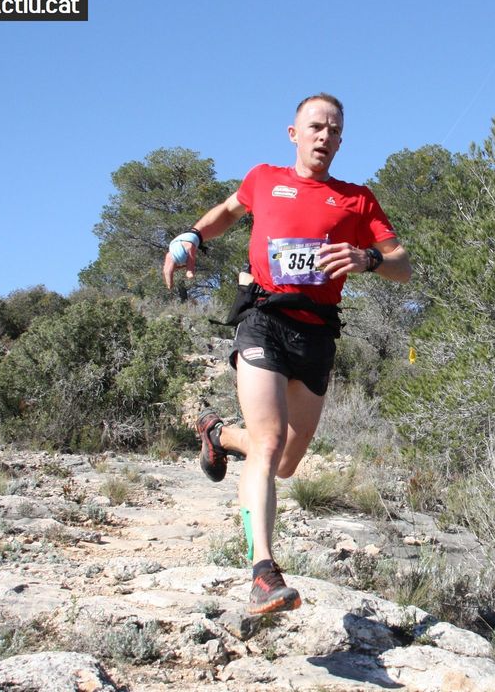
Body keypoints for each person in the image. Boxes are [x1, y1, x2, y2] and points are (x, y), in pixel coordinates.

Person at [162, 93, 411, 614]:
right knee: (270, 443)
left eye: (335, 130)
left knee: (286, 464)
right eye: (316, 126)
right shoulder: (264, 179)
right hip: (264, 320)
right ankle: (263, 572)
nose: (325, 136)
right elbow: (227, 212)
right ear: (294, 134)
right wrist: (191, 237)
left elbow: (402, 265)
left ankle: (219, 434)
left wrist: (367, 259)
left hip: (317, 333)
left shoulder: (357, 199)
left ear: (341, 141)